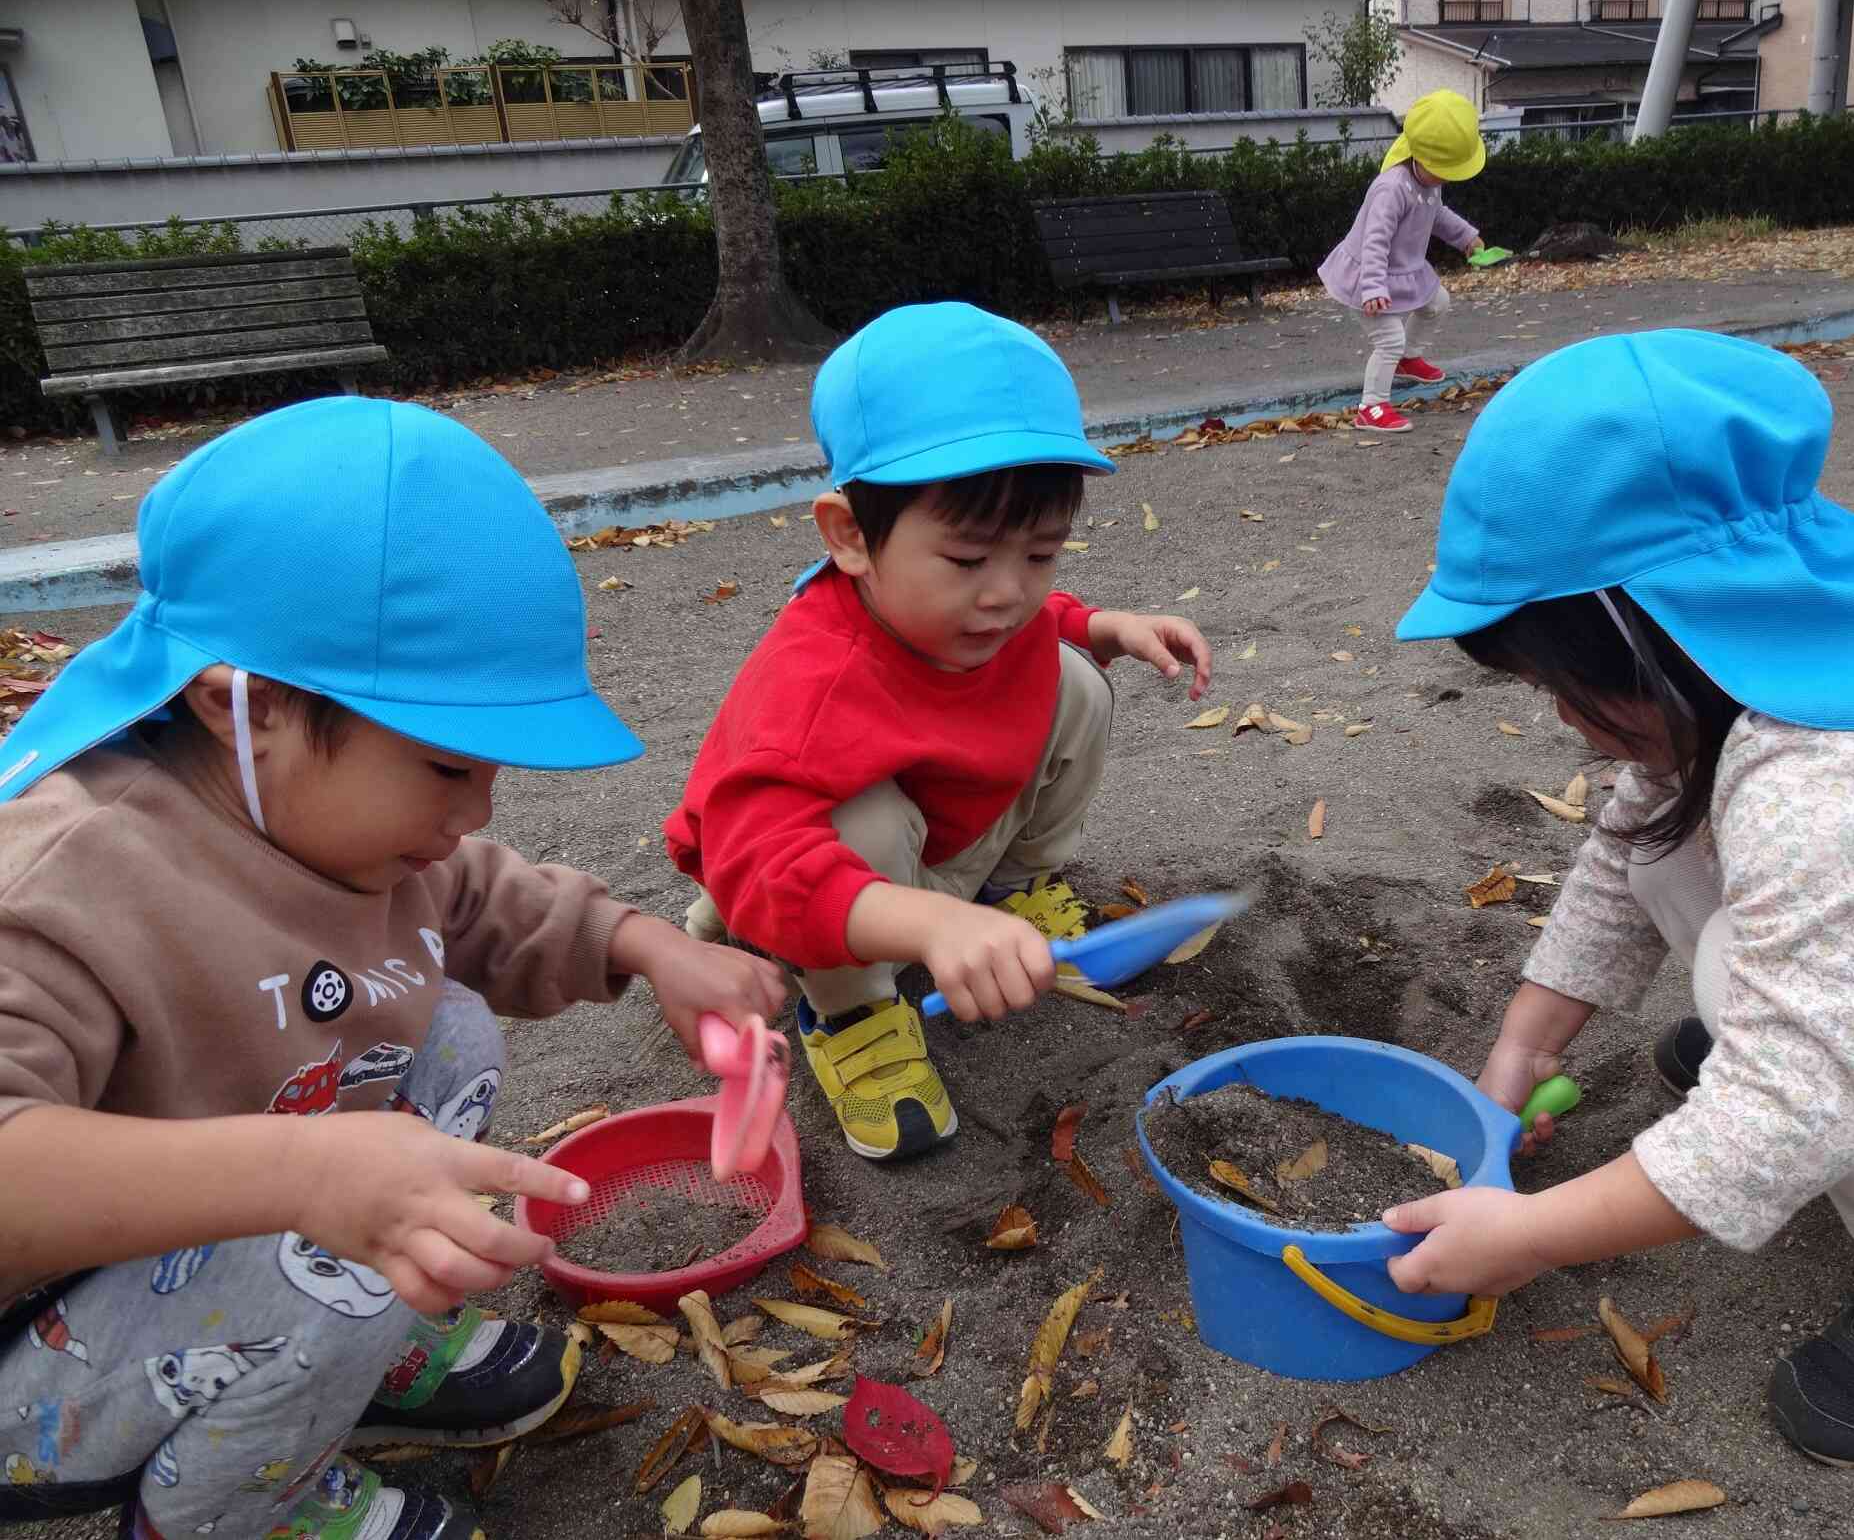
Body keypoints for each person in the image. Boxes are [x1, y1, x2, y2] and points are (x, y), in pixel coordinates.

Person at [0, 398, 786, 1539]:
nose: (475, 809)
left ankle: (341, 1347)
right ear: (247, 707)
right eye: (442, 766)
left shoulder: (323, 821)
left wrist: (649, 945)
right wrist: (309, 1176)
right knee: (320, 1260)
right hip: (43, 1349)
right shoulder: (68, 880)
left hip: (220, 1229)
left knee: (448, 1023)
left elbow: (473, 894)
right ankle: (235, 1514)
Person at [1380, 328, 1854, 1465]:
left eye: (1560, 682)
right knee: (1673, 850)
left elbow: (1804, 1094)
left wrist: (1532, 1236)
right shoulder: (1783, 662)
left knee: (1760, 989)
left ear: (1636, 638)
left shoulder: (1834, 783)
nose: (1558, 717)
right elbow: (1627, 848)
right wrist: (1511, 1063)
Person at [666, 302, 1212, 1164]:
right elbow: (760, 853)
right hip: (793, 872)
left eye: (1040, 554)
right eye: (967, 560)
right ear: (849, 536)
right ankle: (851, 1013)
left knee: (1072, 679)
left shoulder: (976, 614)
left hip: (941, 840)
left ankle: (1006, 889)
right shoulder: (816, 685)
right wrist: (921, 926)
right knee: (861, 820)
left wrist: (1102, 624)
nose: (1006, 593)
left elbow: (1043, 623)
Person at [1319, 90, 1490, 436]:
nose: (1446, 178)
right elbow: (1374, 241)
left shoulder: (1428, 182)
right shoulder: (1391, 189)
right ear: (1420, 156)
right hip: (1368, 276)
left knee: (1438, 302)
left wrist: (1466, 237)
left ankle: (1408, 358)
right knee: (1388, 340)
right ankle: (1372, 406)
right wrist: (1372, 288)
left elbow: (1436, 214)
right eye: (1443, 170)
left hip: (1402, 270)